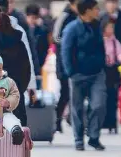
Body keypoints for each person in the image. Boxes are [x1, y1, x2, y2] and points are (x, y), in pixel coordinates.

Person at [62, 0, 106, 151]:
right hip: (77, 74)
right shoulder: (71, 28)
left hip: (97, 73)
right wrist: (71, 72)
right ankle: (78, 139)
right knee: (77, 108)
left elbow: (101, 47)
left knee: (98, 105)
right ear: (87, 11)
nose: (98, 11)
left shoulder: (97, 25)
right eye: (95, 9)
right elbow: (66, 51)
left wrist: (102, 64)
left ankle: (94, 137)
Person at [52, 0, 79, 133]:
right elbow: (55, 37)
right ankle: (56, 119)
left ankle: (71, 118)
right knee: (65, 92)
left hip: (77, 62)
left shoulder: (80, 16)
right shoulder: (64, 16)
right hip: (63, 61)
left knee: (75, 93)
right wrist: (70, 42)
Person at [102, 20, 121, 134]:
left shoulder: (114, 41)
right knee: (102, 98)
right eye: (109, 27)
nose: (111, 30)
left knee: (113, 97)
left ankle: (111, 122)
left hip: (112, 72)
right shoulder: (99, 40)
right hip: (102, 71)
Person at [26, 3, 50, 70]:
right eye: (31, 18)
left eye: (35, 18)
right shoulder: (22, 30)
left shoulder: (42, 30)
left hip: (38, 65)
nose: (33, 20)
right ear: (27, 16)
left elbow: (45, 47)